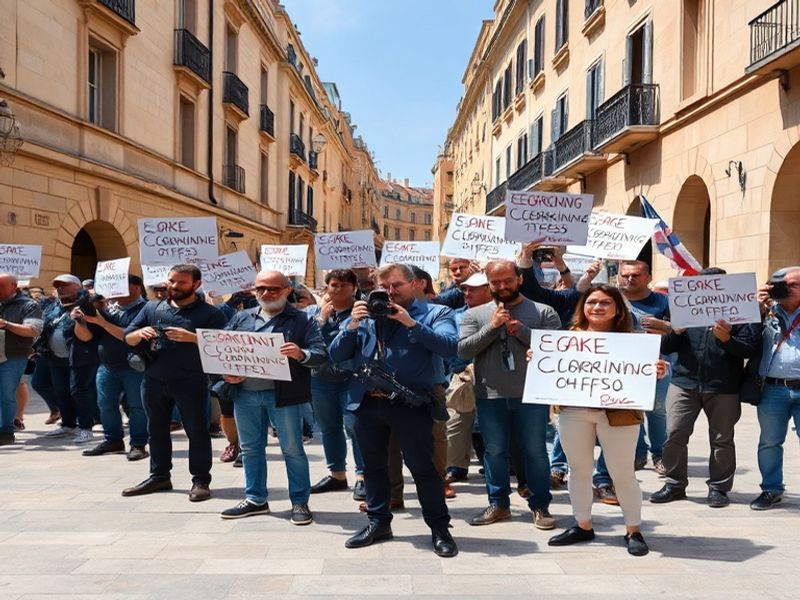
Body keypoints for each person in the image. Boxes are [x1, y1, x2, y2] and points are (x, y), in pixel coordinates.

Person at [329, 263, 459, 557]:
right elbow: (336, 355)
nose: (388, 293)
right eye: (382, 288)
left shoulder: (436, 313)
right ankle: (378, 522)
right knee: (374, 468)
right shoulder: (365, 315)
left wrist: (410, 323)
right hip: (367, 402)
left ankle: (439, 527)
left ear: (415, 284)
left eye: (395, 286)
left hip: (410, 404)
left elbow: (450, 347)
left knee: (424, 469)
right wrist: (351, 325)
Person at [544, 284, 668, 557]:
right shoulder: (566, 339)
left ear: (617, 309)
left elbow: (644, 373)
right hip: (574, 411)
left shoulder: (634, 341)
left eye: (604, 303)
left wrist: (656, 369)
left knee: (622, 473)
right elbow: (550, 369)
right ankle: (582, 524)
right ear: (583, 307)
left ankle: (633, 529)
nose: (597, 307)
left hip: (620, 414)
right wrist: (539, 359)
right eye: (591, 302)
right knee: (578, 470)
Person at [458, 260, 561, 530]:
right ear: (489, 284)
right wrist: (492, 327)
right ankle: (499, 503)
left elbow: (557, 351)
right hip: (490, 395)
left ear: (520, 279)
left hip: (532, 395)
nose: (502, 287)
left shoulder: (543, 311)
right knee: (494, 451)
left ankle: (540, 505)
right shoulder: (474, 315)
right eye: (496, 282)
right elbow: (463, 351)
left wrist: (523, 332)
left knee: (536, 451)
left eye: (507, 280)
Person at [219, 270, 326, 523]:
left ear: (288, 290)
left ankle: (300, 502)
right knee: (250, 449)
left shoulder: (302, 321)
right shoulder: (241, 318)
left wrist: (301, 354)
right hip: (245, 396)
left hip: (285, 398)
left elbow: (320, 353)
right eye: (260, 289)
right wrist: (227, 373)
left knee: (292, 450)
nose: (266, 294)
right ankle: (255, 499)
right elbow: (222, 350)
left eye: (273, 289)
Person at [650, 268, 760, 508]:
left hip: (724, 387)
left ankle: (719, 489)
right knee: (675, 434)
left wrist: (727, 340)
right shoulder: (684, 309)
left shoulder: (743, 312)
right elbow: (667, 347)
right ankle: (674, 484)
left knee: (722, 439)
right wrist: (675, 331)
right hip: (684, 383)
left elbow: (750, 350)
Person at [121, 264, 227, 502]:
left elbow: (224, 344)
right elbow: (127, 336)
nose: (174, 286)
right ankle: (159, 475)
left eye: (181, 282)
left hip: (191, 381)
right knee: (156, 430)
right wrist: (139, 334)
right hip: (153, 380)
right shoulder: (152, 308)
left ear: (196, 285)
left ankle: (200, 480)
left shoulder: (210, 314)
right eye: (171, 281)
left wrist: (194, 338)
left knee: (196, 431)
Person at [73, 275, 150, 461]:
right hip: (107, 365)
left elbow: (129, 335)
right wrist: (80, 321)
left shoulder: (146, 309)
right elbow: (86, 338)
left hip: (134, 366)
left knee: (137, 406)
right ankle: (113, 440)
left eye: (124, 284)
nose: (118, 289)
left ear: (138, 287)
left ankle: (138, 443)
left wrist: (100, 321)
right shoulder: (108, 309)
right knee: (105, 405)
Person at [306, 269, 366, 500]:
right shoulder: (315, 312)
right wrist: (321, 319)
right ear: (326, 288)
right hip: (320, 379)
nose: (338, 289)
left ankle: (362, 476)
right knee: (329, 428)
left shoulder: (362, 312)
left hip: (352, 379)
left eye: (343, 285)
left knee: (355, 428)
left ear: (353, 288)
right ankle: (337, 474)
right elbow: (307, 341)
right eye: (333, 285)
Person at [750, 266, 800, 510]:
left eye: (792, 285)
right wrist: (757, 309)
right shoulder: (765, 312)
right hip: (772, 389)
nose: (785, 289)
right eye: (781, 284)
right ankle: (771, 489)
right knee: (769, 442)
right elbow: (745, 340)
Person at [618, 260, 671, 474]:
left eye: (636, 275)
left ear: (648, 277)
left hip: (659, 365)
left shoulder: (665, 301)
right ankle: (637, 455)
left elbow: (683, 330)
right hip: (622, 366)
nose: (630, 279)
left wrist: (666, 328)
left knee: (657, 410)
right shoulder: (613, 300)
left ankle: (659, 454)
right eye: (626, 275)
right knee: (630, 410)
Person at [31, 274, 97, 443]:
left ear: (77, 286)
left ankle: (86, 428)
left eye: (64, 285)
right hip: (55, 357)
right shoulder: (52, 306)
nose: (60, 289)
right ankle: (68, 425)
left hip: (81, 357)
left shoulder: (88, 305)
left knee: (79, 392)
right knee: (61, 391)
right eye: (57, 286)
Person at [445, 272, 492, 484]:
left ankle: (497, 465)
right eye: (465, 289)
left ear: (488, 290)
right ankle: (455, 467)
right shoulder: (454, 315)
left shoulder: (501, 313)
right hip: (461, 375)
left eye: (473, 288)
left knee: (492, 424)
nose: (467, 292)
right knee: (455, 422)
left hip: (493, 376)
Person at [0, 274, 43, 445]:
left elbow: (33, 330)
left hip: (13, 355)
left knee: (5, 392)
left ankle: (6, 431)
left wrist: (6, 324)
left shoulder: (29, 305)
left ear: (14, 286)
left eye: (1, 286)